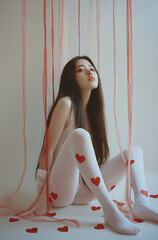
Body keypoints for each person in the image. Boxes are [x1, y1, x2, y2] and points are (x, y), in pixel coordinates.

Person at [35, 56, 158, 235]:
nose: (89, 71)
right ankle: (110, 211)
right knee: (80, 135)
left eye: (91, 68)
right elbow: (48, 149)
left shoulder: (93, 114)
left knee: (134, 152)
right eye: (81, 69)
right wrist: (41, 193)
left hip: (84, 192)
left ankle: (142, 202)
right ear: (71, 78)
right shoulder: (66, 104)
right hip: (59, 193)